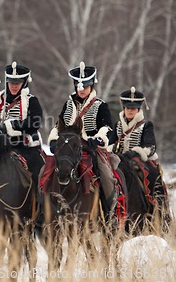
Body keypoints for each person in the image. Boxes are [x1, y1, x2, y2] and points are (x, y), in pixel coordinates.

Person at [48, 61, 126, 225]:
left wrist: (98, 138)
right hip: (68, 149)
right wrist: (54, 139)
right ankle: (43, 212)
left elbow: (107, 127)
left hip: (91, 149)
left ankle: (108, 212)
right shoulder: (68, 104)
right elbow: (58, 125)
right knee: (45, 171)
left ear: (91, 85)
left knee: (106, 175)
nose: (81, 89)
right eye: (78, 86)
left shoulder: (100, 105)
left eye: (85, 86)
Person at [109, 87, 170, 215]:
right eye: (128, 108)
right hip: (119, 159)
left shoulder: (146, 125)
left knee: (152, 176)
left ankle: (157, 209)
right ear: (124, 108)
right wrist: (113, 148)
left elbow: (150, 148)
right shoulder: (118, 125)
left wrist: (135, 152)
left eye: (133, 108)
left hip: (139, 161)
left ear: (138, 109)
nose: (130, 110)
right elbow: (110, 143)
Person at [0, 61, 44, 188]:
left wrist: (12, 125)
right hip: (0, 146)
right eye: (11, 82)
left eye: (18, 83)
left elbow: (35, 122)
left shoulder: (31, 101)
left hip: (25, 146)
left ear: (24, 83)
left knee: (38, 169)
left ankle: (40, 201)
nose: (14, 86)